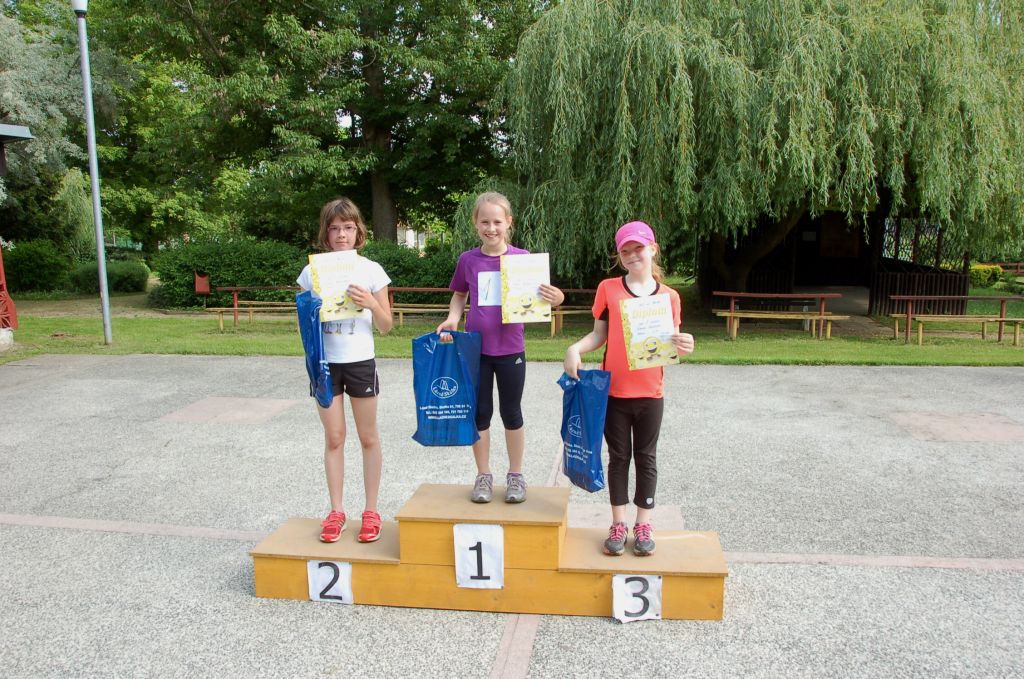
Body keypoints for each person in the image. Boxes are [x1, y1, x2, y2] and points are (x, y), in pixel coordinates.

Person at [563, 221, 694, 556]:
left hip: (651, 393)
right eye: (626, 250)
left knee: (646, 457)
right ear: (619, 256)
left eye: (639, 248)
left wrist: (685, 345)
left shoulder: (669, 297)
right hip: (614, 393)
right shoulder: (608, 289)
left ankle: (643, 523)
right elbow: (599, 335)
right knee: (619, 458)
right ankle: (618, 523)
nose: (633, 255)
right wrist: (575, 348)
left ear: (653, 249)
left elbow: (671, 343)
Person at [437, 192, 565, 504]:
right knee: (480, 413)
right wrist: (453, 318)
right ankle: (483, 475)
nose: (491, 228)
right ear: (475, 224)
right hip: (476, 350)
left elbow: (546, 298)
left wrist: (556, 298)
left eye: (497, 221)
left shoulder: (523, 259)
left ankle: (516, 475)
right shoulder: (468, 260)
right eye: (485, 222)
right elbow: (459, 295)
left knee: (512, 412)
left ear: (509, 222)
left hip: (511, 349)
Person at [297, 197, 393, 543]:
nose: (341, 234)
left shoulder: (371, 270)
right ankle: (336, 510)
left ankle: (371, 511)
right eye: (334, 228)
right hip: (325, 363)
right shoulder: (312, 272)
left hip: (360, 361)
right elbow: (303, 325)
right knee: (335, 437)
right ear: (325, 233)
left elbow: (386, 325)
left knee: (368, 437)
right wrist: (311, 309)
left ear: (358, 231)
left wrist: (370, 303)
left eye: (348, 228)